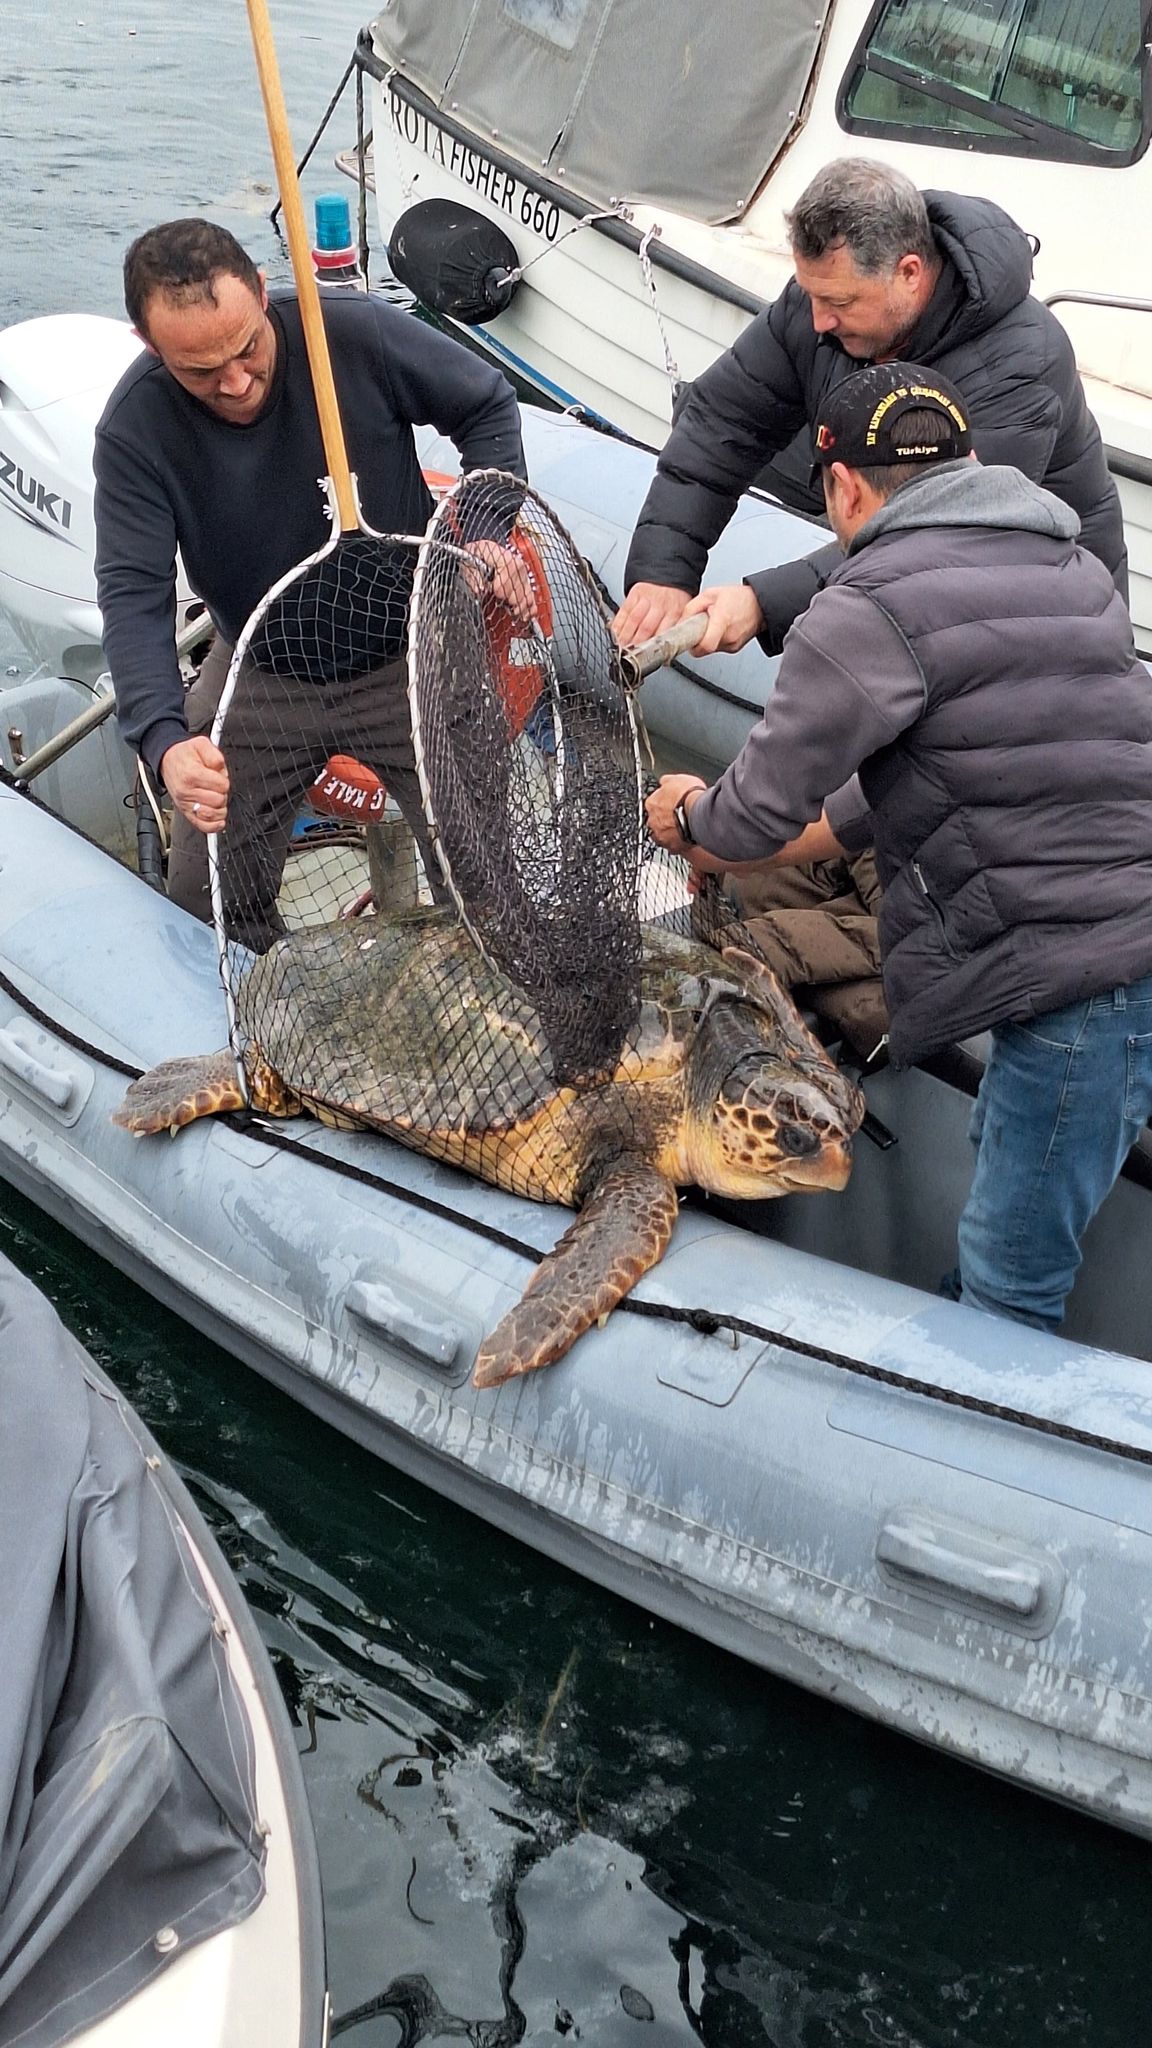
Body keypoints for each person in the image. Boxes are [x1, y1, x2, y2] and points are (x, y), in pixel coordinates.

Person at [646, 361, 1152, 1332]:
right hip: (1124, 949)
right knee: (1014, 1212)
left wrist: (689, 817)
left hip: (1075, 983)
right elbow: (976, 757)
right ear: (968, 458)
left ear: (840, 486)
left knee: (1010, 1287)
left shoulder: (862, 609)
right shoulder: (1072, 566)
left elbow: (749, 819)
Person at [94, 217, 528, 943]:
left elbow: (484, 402)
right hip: (263, 665)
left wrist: (484, 525)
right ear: (150, 345)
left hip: (414, 646)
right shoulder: (135, 430)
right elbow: (132, 595)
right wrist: (166, 742)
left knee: (486, 884)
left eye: (247, 350)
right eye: (200, 370)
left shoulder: (351, 335)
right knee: (203, 900)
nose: (234, 383)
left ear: (264, 295)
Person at [614, 156, 1126, 660]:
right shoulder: (819, 306)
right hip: (919, 593)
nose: (818, 321)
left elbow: (936, 533)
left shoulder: (1018, 360)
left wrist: (761, 603)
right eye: (812, 295)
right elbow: (722, 423)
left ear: (909, 272)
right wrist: (663, 573)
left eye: (839, 303)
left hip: (1048, 621)